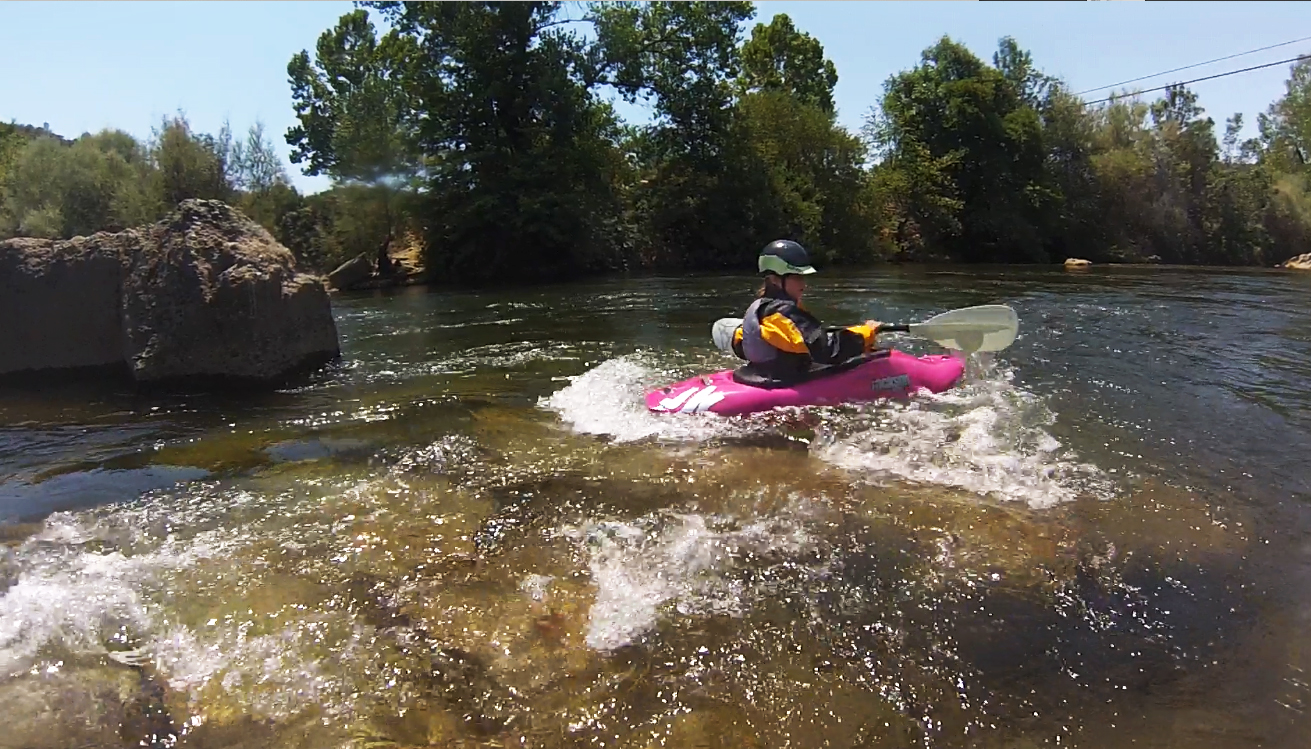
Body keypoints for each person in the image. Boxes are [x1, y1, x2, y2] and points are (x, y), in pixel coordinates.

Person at [730, 239, 882, 387]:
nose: (803, 284)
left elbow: (740, 345)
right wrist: (865, 333)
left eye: (803, 277)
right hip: (783, 382)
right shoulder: (785, 313)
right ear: (774, 280)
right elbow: (827, 351)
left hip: (757, 375)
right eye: (796, 277)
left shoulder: (759, 308)